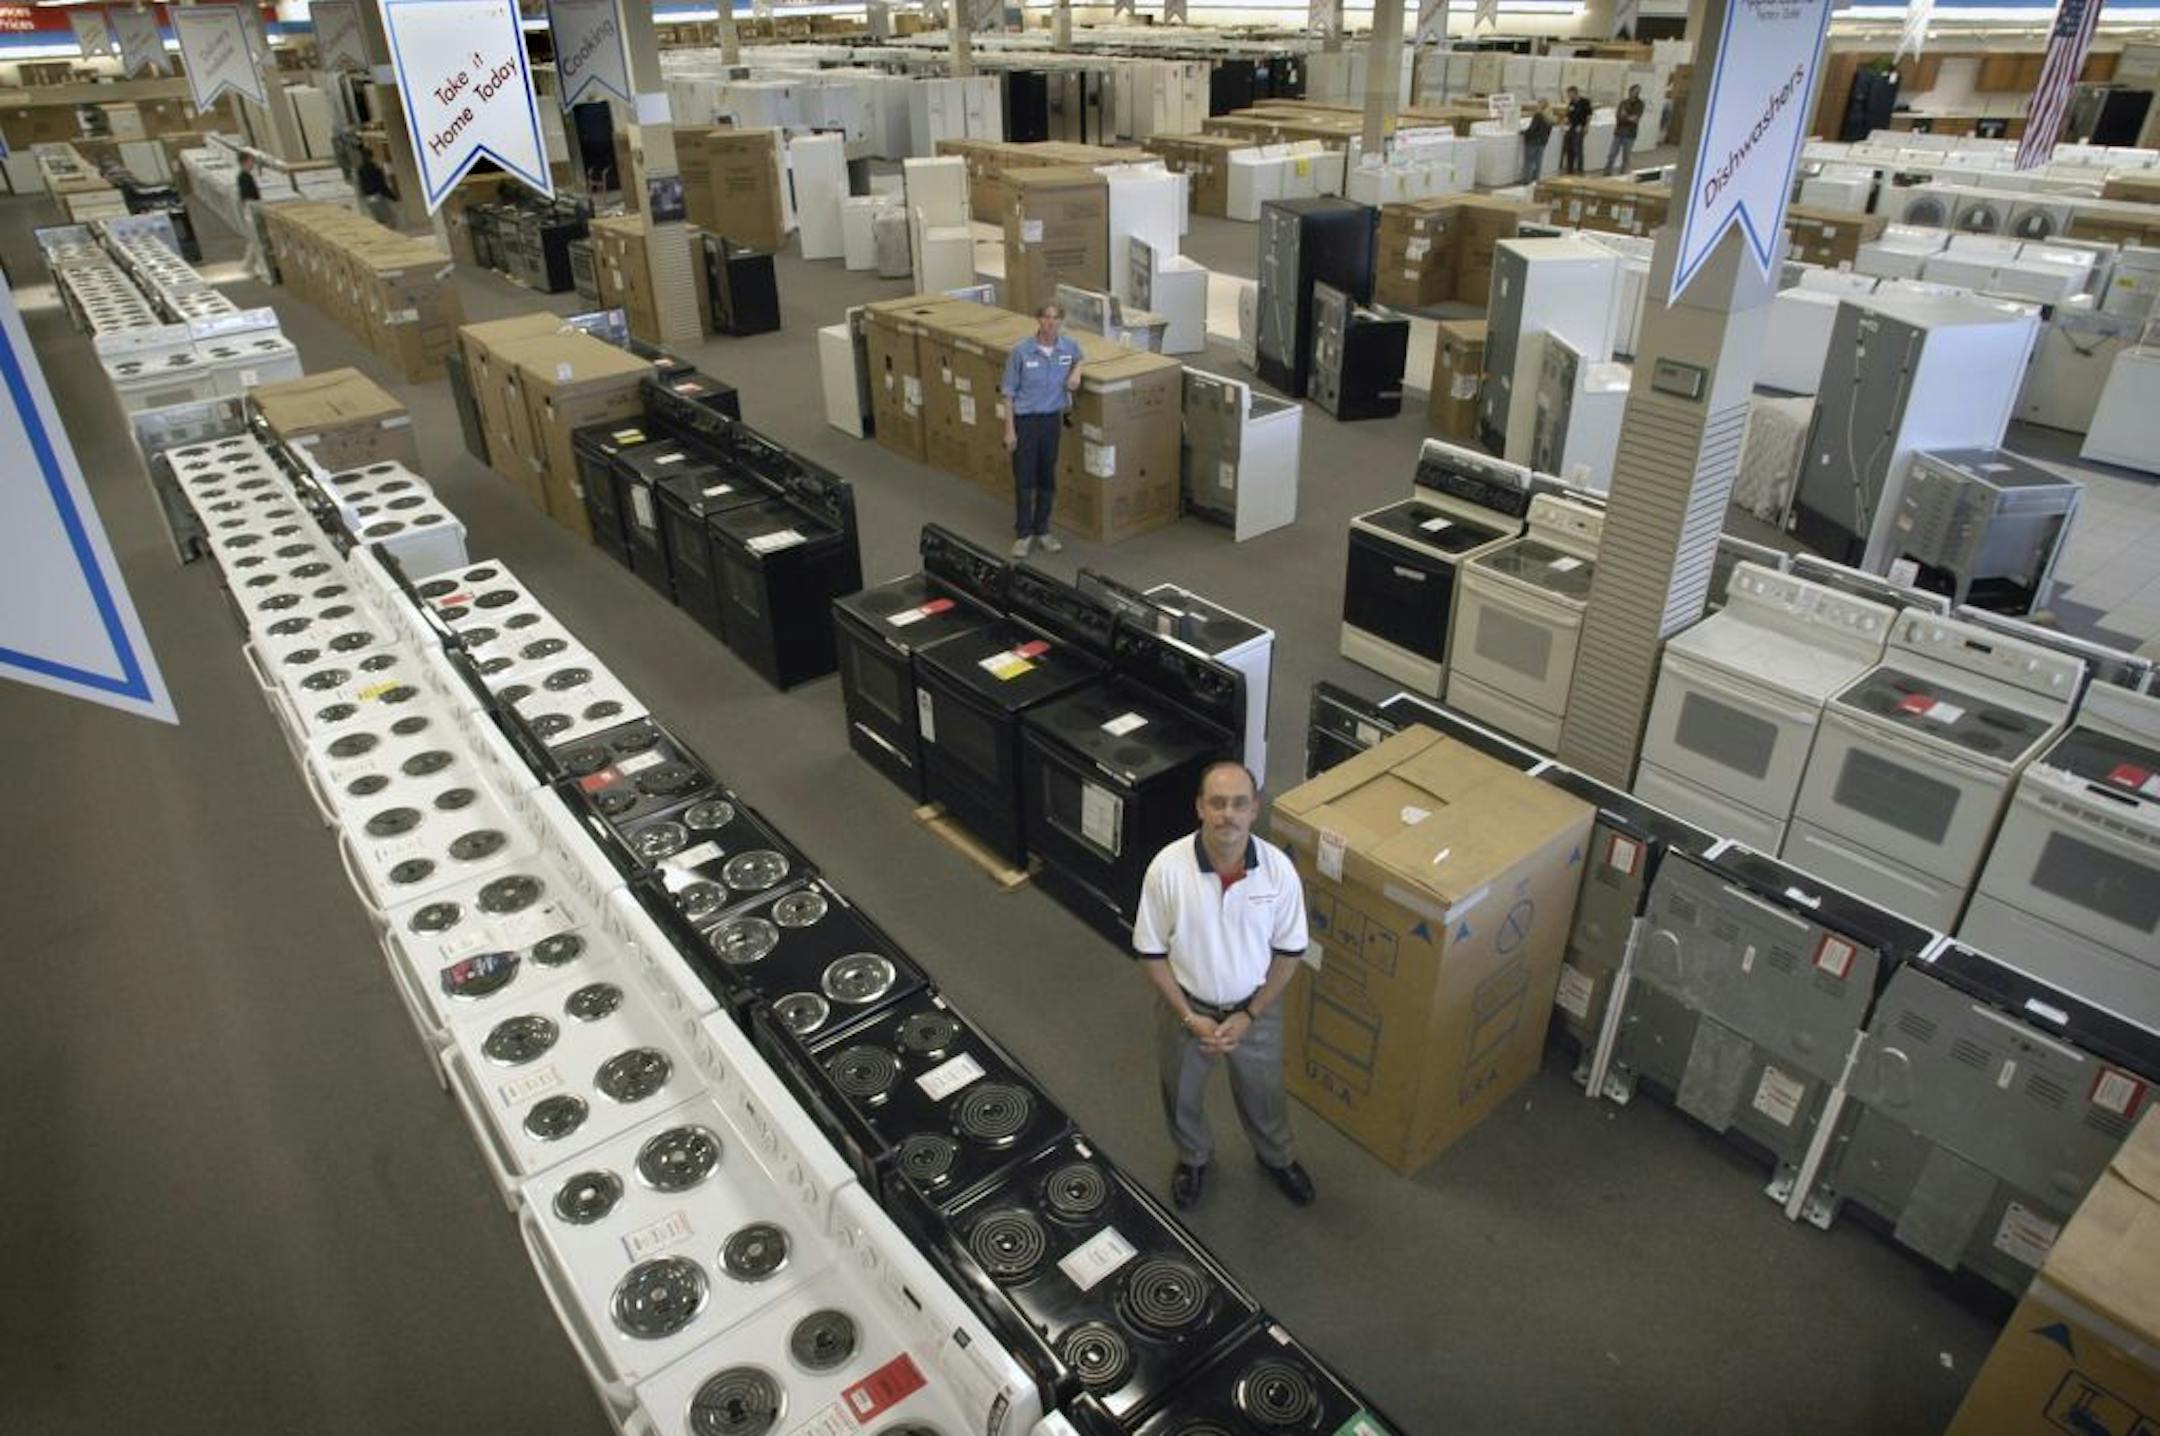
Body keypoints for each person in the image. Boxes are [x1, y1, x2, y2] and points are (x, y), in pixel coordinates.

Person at [1133, 761, 1315, 1212]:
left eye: (1238, 804)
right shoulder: (1166, 869)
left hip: (1255, 1009)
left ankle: (1277, 1158)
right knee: (1181, 1092)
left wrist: (1250, 1014)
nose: (1227, 814)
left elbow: (1290, 953)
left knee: (1264, 1091)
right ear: (1199, 807)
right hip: (1184, 1006)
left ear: (1254, 809)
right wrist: (1188, 1016)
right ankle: (1192, 1158)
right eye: (1217, 803)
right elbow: (1151, 953)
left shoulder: (1278, 873)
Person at [999, 302, 1082, 559]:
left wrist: (1076, 373)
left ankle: (1043, 529)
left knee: (1047, 477)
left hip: (1050, 421)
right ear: (1038, 319)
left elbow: (1080, 357)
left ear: (1061, 321)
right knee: (1024, 479)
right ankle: (1023, 534)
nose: (1050, 322)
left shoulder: (1068, 347)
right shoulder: (1021, 352)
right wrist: (1009, 431)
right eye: (1046, 317)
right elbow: (1008, 393)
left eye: (1055, 318)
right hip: (1025, 422)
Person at [235, 153, 270, 284]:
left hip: (251, 209)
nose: (253, 164)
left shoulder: (245, 176)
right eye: (251, 161)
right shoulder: (244, 177)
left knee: (254, 241)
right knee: (256, 240)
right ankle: (248, 267)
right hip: (251, 210)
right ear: (245, 162)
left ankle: (248, 267)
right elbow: (247, 197)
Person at [1606, 84, 1645, 175]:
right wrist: (1627, 117)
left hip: (1630, 134)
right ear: (1630, 91)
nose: (1635, 93)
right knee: (1612, 154)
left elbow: (1635, 119)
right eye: (1634, 91)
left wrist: (1625, 116)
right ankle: (1607, 172)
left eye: (1637, 91)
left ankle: (1623, 173)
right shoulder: (1623, 103)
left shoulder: (1640, 104)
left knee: (1626, 156)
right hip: (1619, 132)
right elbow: (1618, 116)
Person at [355, 153, 396, 228]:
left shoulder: (361, 170)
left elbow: (361, 184)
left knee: (377, 214)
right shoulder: (375, 168)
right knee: (388, 214)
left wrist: (362, 195)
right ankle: (390, 227)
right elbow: (381, 183)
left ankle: (383, 227)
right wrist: (391, 196)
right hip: (377, 193)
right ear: (371, 157)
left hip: (368, 195)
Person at [1520, 103, 1553, 186]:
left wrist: (1523, 133)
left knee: (1529, 161)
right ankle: (1536, 179)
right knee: (1538, 161)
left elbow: (1532, 129)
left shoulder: (1538, 115)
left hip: (1533, 141)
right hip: (1542, 142)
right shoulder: (1549, 117)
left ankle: (1527, 180)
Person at [1561, 85, 1592, 175]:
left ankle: (1580, 170)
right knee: (1569, 149)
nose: (1568, 96)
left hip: (1580, 127)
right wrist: (1564, 122)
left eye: (1569, 94)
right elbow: (1568, 115)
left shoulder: (1585, 102)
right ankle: (1569, 170)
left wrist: (1586, 126)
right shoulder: (1571, 103)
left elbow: (1589, 115)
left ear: (1575, 93)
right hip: (1571, 128)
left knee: (1578, 149)